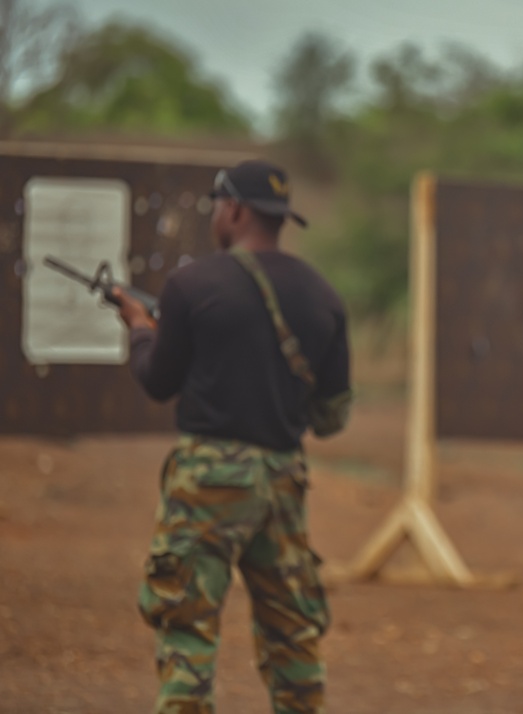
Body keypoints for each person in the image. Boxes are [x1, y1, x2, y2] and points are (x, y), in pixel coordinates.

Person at [114, 159, 352, 714]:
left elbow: (158, 381)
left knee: (187, 629)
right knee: (293, 635)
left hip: (208, 482)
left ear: (235, 210)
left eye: (217, 206)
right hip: (283, 486)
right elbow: (332, 418)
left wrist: (141, 331)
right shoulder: (323, 295)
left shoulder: (191, 285)